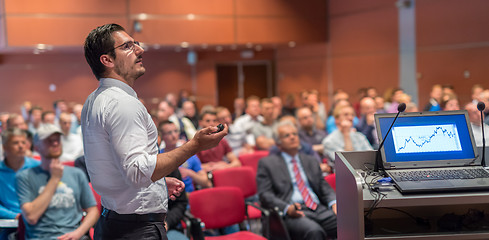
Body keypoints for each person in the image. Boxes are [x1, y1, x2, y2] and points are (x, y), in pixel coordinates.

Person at [82, 23, 227, 239]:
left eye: (136, 44)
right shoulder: (123, 103)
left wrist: (156, 185)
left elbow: (116, 168)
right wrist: (195, 145)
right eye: (128, 46)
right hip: (135, 230)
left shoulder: (95, 99)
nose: (140, 50)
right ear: (107, 60)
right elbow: (138, 173)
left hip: (113, 222)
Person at [16, 124, 99, 240]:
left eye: (57, 140)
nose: (55, 143)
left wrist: (78, 233)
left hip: (74, 236)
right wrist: (54, 179)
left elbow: (93, 211)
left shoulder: (77, 174)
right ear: (36, 147)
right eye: (49, 141)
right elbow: (31, 217)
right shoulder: (25, 177)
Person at [256, 121, 337, 240]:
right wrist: (286, 208)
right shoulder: (267, 164)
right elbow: (265, 194)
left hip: (318, 208)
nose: (292, 137)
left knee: (350, 223)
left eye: (294, 134)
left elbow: (323, 186)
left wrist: (333, 202)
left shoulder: (310, 160)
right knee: (314, 231)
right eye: (287, 135)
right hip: (293, 212)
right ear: (278, 144)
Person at [0, 128, 40, 240]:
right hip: (10, 222)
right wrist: (14, 215)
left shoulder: (38, 167)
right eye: (15, 143)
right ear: (5, 147)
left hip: (38, 219)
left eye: (23, 142)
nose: (21, 146)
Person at [159, 120, 211, 192]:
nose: (174, 135)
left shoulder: (188, 153)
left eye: (176, 131)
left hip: (188, 197)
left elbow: (206, 182)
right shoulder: (158, 157)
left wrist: (190, 173)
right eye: (169, 133)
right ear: (162, 136)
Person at [322, 105, 373, 169]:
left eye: (352, 115)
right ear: (336, 120)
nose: (350, 118)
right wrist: (346, 134)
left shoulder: (360, 136)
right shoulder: (329, 141)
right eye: (346, 115)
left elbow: (372, 158)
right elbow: (347, 163)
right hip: (344, 176)